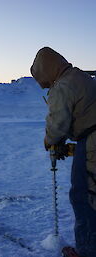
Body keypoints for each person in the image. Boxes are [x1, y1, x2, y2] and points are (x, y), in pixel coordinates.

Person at [31, 47, 96, 257]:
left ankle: (87, 250)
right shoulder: (81, 76)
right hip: (90, 139)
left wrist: (50, 141)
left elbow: (57, 122)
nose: (47, 85)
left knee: (84, 195)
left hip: (92, 142)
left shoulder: (63, 86)